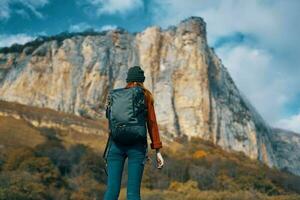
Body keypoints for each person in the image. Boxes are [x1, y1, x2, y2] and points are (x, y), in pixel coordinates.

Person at [103, 65, 164, 200]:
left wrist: (109, 151)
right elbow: (152, 123)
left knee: (112, 191)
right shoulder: (145, 95)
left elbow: (111, 123)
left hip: (115, 146)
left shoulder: (116, 96)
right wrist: (157, 151)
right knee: (133, 193)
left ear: (128, 80)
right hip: (137, 147)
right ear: (142, 80)